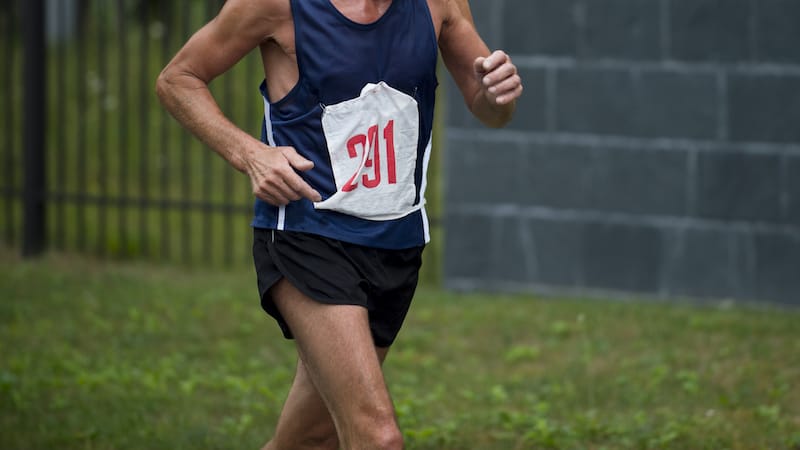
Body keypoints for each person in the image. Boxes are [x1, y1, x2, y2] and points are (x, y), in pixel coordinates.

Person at [156, 0, 522, 448]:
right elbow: (178, 79)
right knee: (379, 437)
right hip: (308, 234)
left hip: (397, 242)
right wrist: (250, 153)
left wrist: (499, 94)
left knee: (309, 438)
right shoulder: (276, 5)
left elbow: (488, 107)